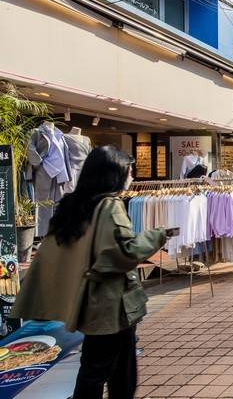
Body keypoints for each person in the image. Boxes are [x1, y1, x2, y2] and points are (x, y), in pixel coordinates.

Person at [12, 146, 173, 399]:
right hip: (111, 305)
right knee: (111, 371)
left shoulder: (73, 206)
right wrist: (158, 235)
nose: (131, 176)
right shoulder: (109, 206)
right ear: (114, 174)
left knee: (103, 367)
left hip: (89, 303)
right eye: (128, 171)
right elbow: (125, 252)